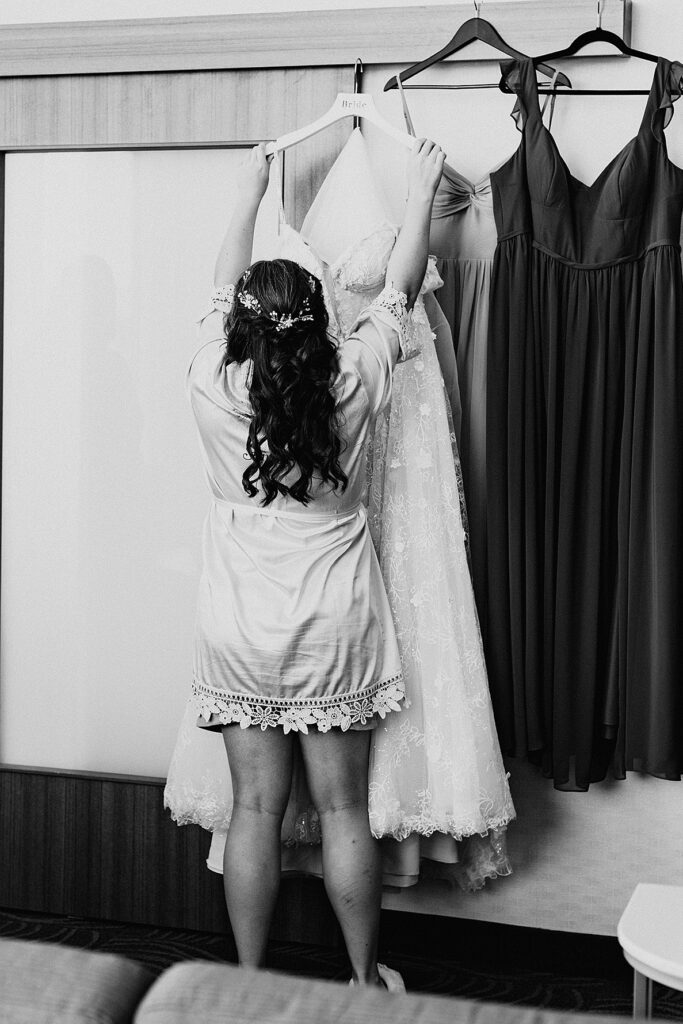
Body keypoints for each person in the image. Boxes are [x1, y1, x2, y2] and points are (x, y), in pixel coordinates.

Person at [185, 138, 445, 989]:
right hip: (336, 623)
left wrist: (247, 192)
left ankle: (248, 981)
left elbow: (219, 286)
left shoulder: (210, 379)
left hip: (239, 626)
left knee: (253, 810)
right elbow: (399, 286)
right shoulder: (353, 379)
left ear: (238, 328)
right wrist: (418, 194)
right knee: (342, 811)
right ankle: (363, 981)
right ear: (320, 322)